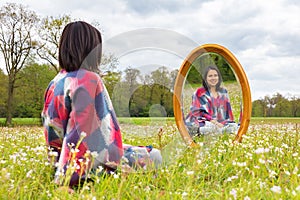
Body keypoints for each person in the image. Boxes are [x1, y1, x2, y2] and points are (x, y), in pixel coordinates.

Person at [41, 21, 162, 187]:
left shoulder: (55, 82)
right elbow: (81, 134)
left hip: (58, 161)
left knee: (135, 150)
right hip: (82, 166)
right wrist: (68, 180)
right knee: (154, 155)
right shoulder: (87, 79)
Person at [185, 65, 238, 136]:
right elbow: (197, 112)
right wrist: (214, 122)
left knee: (234, 127)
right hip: (204, 122)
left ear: (218, 77)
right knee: (210, 128)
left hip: (220, 123)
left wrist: (224, 123)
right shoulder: (199, 92)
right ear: (205, 78)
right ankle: (202, 132)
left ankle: (219, 132)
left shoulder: (223, 92)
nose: (213, 78)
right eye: (210, 76)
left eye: (215, 75)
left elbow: (228, 112)